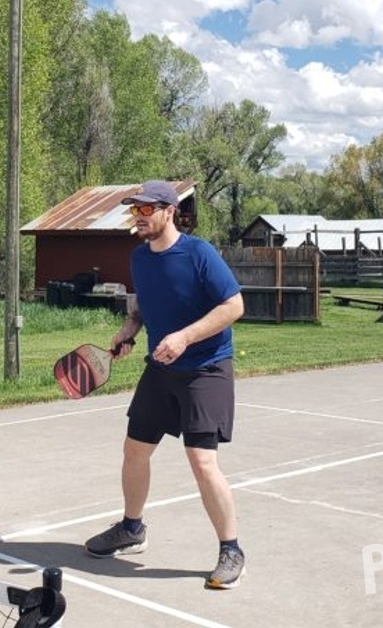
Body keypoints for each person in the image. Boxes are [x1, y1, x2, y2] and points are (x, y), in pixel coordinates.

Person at [84, 180, 247, 589]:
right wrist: (128, 331)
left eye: (144, 210)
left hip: (206, 368)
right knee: (134, 449)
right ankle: (132, 528)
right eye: (133, 211)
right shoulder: (140, 258)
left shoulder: (199, 253)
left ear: (168, 210)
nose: (136, 218)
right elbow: (142, 306)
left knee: (201, 460)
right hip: (159, 369)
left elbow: (234, 306)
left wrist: (185, 337)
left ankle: (231, 549)